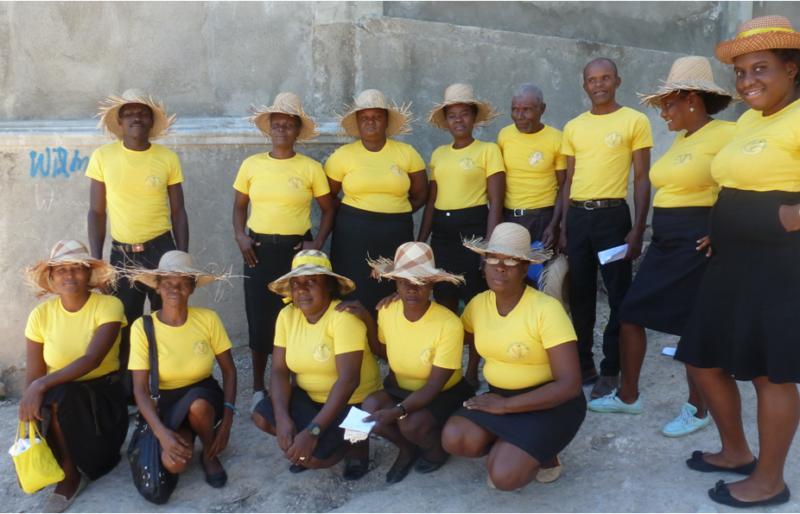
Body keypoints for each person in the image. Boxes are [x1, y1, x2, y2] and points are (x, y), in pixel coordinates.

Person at [675, 15, 800, 508]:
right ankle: (735, 452)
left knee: (771, 374)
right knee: (703, 360)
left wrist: (782, 219)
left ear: (792, 69)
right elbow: (737, 183)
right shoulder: (751, 119)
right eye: (741, 72)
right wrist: (721, 228)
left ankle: (770, 481)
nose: (748, 82)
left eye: (761, 69)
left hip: (779, 265)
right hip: (730, 260)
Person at [589, 57, 735, 438]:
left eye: (668, 103)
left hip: (698, 240)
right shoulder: (682, 139)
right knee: (631, 313)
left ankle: (697, 408)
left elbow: (741, 186)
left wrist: (723, 230)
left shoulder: (726, 134)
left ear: (692, 100)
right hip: (666, 240)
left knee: (693, 326)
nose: (663, 112)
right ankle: (628, 396)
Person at [442, 223, 586, 491]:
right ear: (484, 266)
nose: (500, 267)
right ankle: (515, 443)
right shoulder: (478, 305)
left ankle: (544, 453)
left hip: (551, 402)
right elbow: (449, 335)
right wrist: (405, 304)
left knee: (504, 477)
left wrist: (505, 407)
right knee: (455, 438)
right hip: (500, 396)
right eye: (493, 259)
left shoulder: (546, 309)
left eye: (511, 261)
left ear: (524, 269)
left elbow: (569, 385)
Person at [336, 242, 474, 484]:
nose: (411, 289)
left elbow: (433, 387)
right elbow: (385, 354)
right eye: (404, 282)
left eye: (420, 282)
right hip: (402, 387)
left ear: (432, 284)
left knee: (410, 423)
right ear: (396, 283)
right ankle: (406, 448)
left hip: (443, 392)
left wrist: (396, 412)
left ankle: (435, 448)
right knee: (369, 404)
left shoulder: (448, 323)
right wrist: (368, 320)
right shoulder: (388, 311)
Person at [233, 92, 336, 413]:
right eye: (276, 125)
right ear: (269, 130)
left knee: (297, 314)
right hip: (258, 251)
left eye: (288, 125)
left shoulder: (309, 167)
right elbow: (239, 207)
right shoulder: (251, 165)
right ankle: (259, 387)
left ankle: (295, 382)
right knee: (259, 315)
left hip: (296, 252)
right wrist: (241, 236)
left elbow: (328, 209)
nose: (281, 130)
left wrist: (317, 242)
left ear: (296, 131)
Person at [559, 58, 653, 398]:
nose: (598, 84)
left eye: (605, 78)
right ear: (584, 86)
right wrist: (563, 226)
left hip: (613, 218)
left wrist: (639, 228)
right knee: (580, 294)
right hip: (578, 217)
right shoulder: (574, 127)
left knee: (618, 295)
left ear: (617, 81)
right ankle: (583, 364)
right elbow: (568, 180)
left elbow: (642, 178)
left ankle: (611, 368)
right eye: (592, 80)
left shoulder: (634, 120)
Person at [86, 89, 188, 400]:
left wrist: (181, 257)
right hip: (122, 256)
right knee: (125, 325)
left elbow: (179, 211)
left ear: (151, 120)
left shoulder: (166, 157)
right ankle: (131, 395)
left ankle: (167, 388)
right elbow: (97, 212)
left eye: (143, 113)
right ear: (120, 120)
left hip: (162, 252)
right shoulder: (103, 157)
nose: (136, 117)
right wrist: (97, 262)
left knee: (166, 321)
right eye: (130, 113)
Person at [253, 250, 383, 481]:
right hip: (310, 398)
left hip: (353, 402)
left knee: (314, 458)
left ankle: (357, 445)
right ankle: (317, 440)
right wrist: (282, 418)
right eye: (296, 283)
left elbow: (348, 380)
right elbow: (279, 370)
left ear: (330, 286)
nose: (302, 289)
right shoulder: (287, 315)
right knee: (263, 416)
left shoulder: (344, 317)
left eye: (311, 281)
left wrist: (313, 431)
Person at [20, 240, 127, 513]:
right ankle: (68, 469)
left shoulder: (109, 305)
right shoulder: (40, 315)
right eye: (61, 270)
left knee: (55, 393)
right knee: (49, 397)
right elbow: (33, 375)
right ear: (52, 277)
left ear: (88, 274)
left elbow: (92, 360)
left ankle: (71, 478)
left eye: (77, 268)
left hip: (102, 402)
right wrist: (28, 405)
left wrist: (41, 385)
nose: (69, 275)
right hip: (60, 398)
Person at [127, 251, 237, 494]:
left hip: (204, 398)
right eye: (167, 283)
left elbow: (229, 371)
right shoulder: (143, 327)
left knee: (198, 403)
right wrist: (161, 432)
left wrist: (227, 419)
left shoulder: (208, 319)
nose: (174, 289)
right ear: (157, 288)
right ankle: (186, 434)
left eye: (182, 283)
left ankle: (209, 453)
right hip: (166, 404)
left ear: (192, 289)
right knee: (174, 464)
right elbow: (140, 388)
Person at [325, 89, 429, 314]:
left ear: (386, 121)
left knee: (392, 288)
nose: (370, 122)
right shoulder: (342, 156)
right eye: (364, 117)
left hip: (395, 233)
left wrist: (395, 213)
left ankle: (387, 343)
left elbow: (421, 195)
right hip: (352, 235)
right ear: (358, 123)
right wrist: (355, 214)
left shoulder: (407, 153)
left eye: (377, 116)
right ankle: (356, 342)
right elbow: (328, 197)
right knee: (353, 287)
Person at [418, 84, 505, 313]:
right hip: (442, 235)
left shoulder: (488, 150)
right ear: (446, 121)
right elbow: (431, 202)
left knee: (475, 297)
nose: (458, 120)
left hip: (473, 231)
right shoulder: (438, 154)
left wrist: (489, 247)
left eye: (464, 114)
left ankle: (479, 348)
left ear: (474, 117)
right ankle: (452, 346)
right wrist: (421, 243)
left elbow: (496, 200)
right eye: (452, 116)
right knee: (444, 294)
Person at [498, 83, 568, 249]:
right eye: (515, 109)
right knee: (511, 271)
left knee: (540, 274)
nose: (519, 116)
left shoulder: (557, 139)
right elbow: (499, 182)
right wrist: (500, 219)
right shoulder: (504, 135)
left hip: (543, 219)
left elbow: (564, 185)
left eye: (527, 109)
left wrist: (555, 224)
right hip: (510, 219)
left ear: (542, 109)